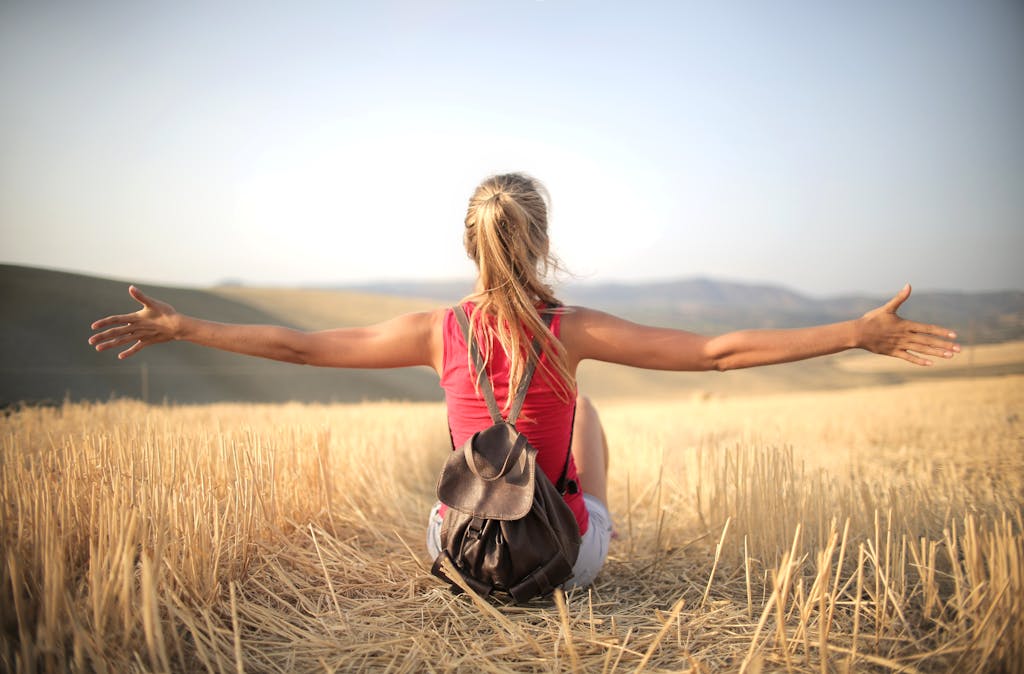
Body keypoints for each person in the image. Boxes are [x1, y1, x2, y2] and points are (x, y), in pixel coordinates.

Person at [88, 172, 960, 589]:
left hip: (457, 559)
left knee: (469, 469)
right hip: (558, 565)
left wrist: (184, 325)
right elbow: (715, 355)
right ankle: (586, 511)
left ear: (470, 248)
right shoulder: (570, 332)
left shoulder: (438, 332)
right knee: (586, 425)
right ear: (540, 242)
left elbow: (302, 349)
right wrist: (858, 331)